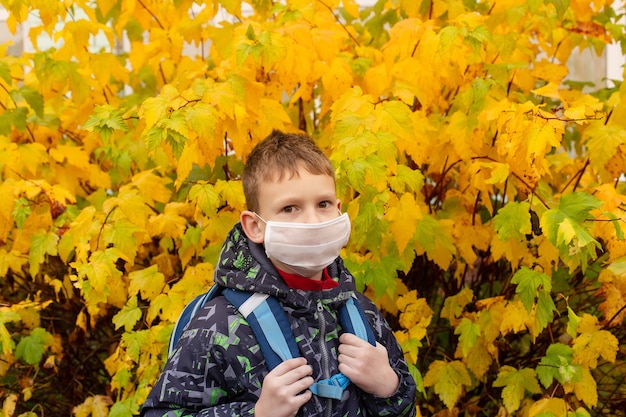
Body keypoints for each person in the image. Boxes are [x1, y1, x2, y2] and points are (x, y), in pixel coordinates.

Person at [140, 130, 417, 417]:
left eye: (322, 204)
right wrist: (258, 414)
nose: (312, 220)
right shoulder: (219, 325)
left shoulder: (361, 313)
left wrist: (390, 388)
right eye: (289, 208)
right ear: (254, 227)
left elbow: (405, 410)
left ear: (338, 210)